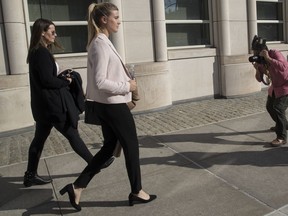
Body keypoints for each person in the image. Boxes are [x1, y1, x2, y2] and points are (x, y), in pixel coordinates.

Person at [59, 3, 156, 211]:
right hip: (112, 105)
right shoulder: (100, 45)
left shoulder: (102, 42)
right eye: (116, 17)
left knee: (108, 149)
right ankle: (137, 191)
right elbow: (100, 82)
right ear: (104, 19)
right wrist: (127, 86)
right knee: (131, 146)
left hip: (108, 105)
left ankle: (77, 186)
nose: (119, 21)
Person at [24, 18, 114, 187]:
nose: (55, 35)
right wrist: (66, 81)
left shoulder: (36, 52)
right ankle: (96, 163)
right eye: (52, 31)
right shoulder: (42, 53)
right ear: (42, 33)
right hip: (51, 107)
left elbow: (45, 79)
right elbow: (47, 81)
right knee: (72, 134)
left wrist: (60, 77)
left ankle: (30, 175)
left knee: (39, 140)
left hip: (43, 107)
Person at [251, 35, 288, 147]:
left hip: (285, 86)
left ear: (263, 50)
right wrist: (257, 69)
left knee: (278, 108)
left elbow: (283, 67)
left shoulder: (275, 53)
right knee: (269, 107)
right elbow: (259, 79)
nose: (255, 54)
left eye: (256, 51)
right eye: (254, 51)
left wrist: (268, 59)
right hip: (275, 87)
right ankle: (282, 124)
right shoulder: (260, 61)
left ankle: (281, 137)